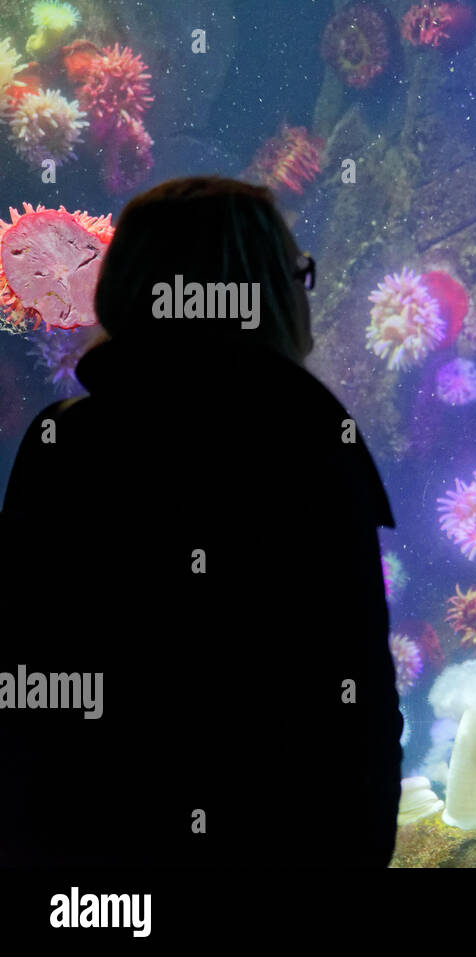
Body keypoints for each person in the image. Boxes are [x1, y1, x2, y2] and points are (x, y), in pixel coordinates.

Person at [0, 177, 402, 867]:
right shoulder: (314, 451)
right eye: (297, 273)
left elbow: (23, 685)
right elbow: (357, 703)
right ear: (266, 291)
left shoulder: (62, 444)